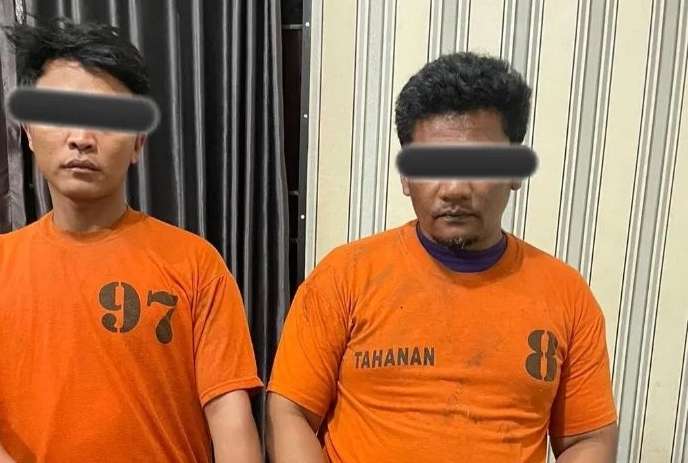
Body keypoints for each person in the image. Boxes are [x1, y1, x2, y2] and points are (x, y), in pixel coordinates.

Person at [0, 18, 263, 463]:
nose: (81, 139)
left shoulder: (196, 263)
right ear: (29, 131)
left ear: (138, 141)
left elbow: (230, 416)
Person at [265, 51, 618, 463]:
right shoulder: (343, 276)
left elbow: (588, 439)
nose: (454, 189)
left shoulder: (566, 294)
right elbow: (288, 412)